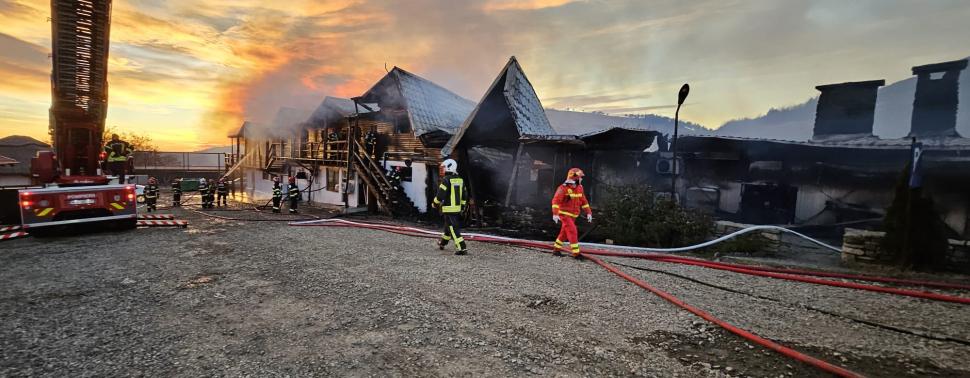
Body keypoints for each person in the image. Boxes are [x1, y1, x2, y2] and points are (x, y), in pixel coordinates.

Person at [551, 168, 593, 259]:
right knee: (572, 231)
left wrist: (589, 212)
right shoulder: (563, 188)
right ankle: (576, 253)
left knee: (564, 233)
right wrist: (555, 214)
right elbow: (555, 201)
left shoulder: (580, 188)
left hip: (573, 216)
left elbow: (584, 201)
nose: (581, 179)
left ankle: (556, 249)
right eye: (580, 177)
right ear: (575, 178)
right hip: (564, 215)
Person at [432, 159, 468, 255]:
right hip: (457, 209)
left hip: (449, 209)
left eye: (443, 168)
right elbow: (464, 195)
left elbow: (440, 195)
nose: (442, 170)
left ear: (449, 167)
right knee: (448, 228)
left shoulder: (446, 180)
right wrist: (462, 206)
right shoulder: (460, 180)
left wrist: (435, 203)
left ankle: (462, 247)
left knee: (453, 228)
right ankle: (442, 243)